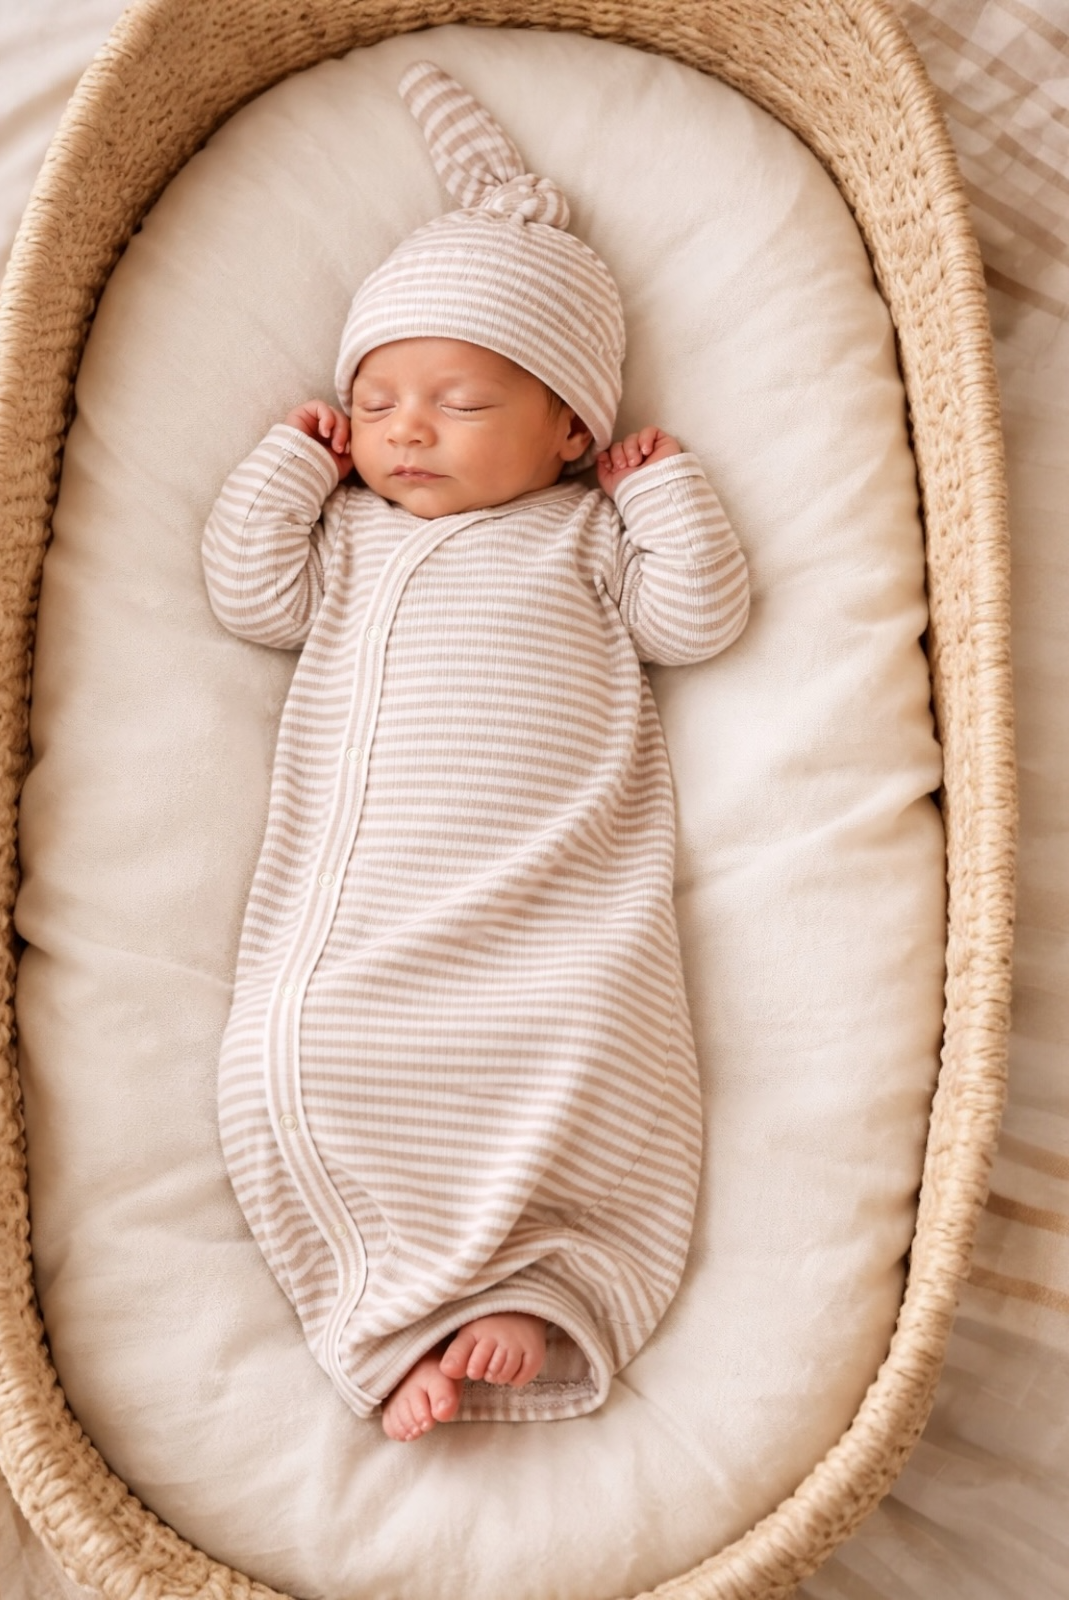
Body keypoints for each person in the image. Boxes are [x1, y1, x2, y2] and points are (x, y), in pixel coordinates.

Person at [203, 61, 750, 1444]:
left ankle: (535, 1290)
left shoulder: (583, 538)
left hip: (550, 915)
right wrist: (288, 465)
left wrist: (665, 490)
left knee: (575, 1067)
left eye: (454, 400)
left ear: (571, 426)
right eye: (378, 399)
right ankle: (391, 1320)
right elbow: (245, 597)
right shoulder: (347, 542)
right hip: (369, 927)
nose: (404, 428)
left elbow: (698, 619)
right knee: (307, 1059)